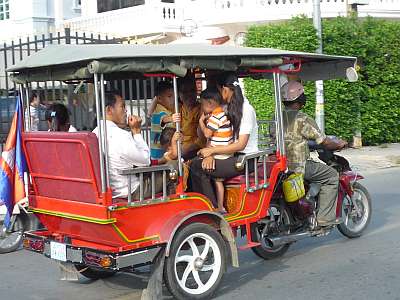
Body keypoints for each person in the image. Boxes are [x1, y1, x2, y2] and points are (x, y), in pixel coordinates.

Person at [281, 80, 347, 227]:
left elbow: (290, 139)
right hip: (300, 166)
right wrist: (339, 143)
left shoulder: (277, 117)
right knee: (331, 176)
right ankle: (324, 218)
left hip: (281, 166)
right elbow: (324, 142)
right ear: (300, 98)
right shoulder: (302, 118)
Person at [189, 72, 259, 207]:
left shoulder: (246, 110)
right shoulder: (226, 108)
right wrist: (210, 153)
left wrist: (211, 152)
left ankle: (212, 209)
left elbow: (240, 145)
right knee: (196, 162)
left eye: (219, 91)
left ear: (225, 90)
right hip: (229, 155)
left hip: (244, 159)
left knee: (196, 167)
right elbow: (215, 135)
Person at [92, 91, 151, 199]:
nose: (126, 110)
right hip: (130, 190)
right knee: (174, 168)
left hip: (110, 191)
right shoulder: (120, 135)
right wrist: (136, 132)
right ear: (109, 110)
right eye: (122, 106)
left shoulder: (95, 133)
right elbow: (145, 160)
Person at [198, 88, 233, 213]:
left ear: (210, 103)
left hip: (220, 153)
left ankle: (216, 206)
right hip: (224, 151)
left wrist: (201, 121)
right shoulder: (222, 113)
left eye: (202, 104)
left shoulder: (215, 117)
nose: (201, 108)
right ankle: (219, 206)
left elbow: (207, 134)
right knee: (218, 181)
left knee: (212, 176)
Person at [148, 81, 180, 163]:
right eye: (169, 96)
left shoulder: (164, 109)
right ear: (159, 99)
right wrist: (171, 118)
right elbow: (163, 119)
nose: (173, 99)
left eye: (174, 96)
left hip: (158, 152)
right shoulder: (160, 110)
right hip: (159, 153)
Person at [178, 76, 206, 160]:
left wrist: (186, 149)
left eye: (192, 91)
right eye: (185, 92)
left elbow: (202, 139)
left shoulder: (202, 108)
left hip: (196, 150)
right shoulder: (177, 109)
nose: (189, 95)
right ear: (179, 94)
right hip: (180, 148)